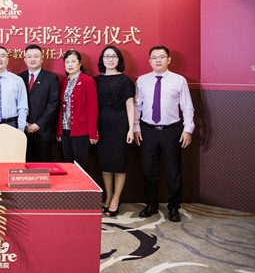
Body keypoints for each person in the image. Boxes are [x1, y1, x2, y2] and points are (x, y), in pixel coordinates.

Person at [134, 45, 194, 222]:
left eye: (161, 57)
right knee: (148, 170)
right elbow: (137, 106)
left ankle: (174, 207)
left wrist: (188, 129)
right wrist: (136, 127)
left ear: (169, 60)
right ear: (149, 61)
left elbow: (187, 106)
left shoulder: (179, 80)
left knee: (173, 171)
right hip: (147, 130)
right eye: (154, 57)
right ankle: (151, 204)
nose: (158, 60)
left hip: (171, 131)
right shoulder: (142, 80)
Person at [94, 46, 135, 217]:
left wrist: (131, 129)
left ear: (119, 59)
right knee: (105, 164)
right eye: (107, 56)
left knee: (119, 163)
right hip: (102, 125)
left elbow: (130, 106)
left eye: (114, 56)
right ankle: (108, 195)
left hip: (120, 125)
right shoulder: (95, 80)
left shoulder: (125, 80)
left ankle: (116, 198)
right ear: (102, 59)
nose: (110, 60)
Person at [56, 49, 98, 172]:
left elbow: (92, 109)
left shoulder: (88, 81)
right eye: (67, 62)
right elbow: (60, 108)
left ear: (80, 63)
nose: (70, 64)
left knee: (81, 165)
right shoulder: (63, 82)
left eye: (73, 61)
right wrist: (58, 131)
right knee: (68, 164)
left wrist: (93, 133)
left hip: (81, 130)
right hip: (65, 129)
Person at [18, 44, 60, 162]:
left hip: (43, 130)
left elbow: (53, 104)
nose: (33, 59)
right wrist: (23, 124)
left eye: (36, 56)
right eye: (29, 56)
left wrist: (38, 125)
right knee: (23, 165)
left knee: (45, 166)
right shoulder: (19, 78)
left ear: (42, 59)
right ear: (25, 59)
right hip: (22, 130)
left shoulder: (51, 78)